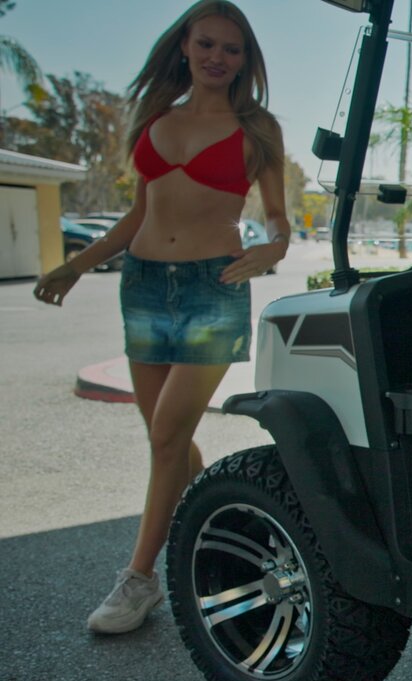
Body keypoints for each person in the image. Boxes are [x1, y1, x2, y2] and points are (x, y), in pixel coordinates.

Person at [32, 0, 289, 634]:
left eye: (231, 49)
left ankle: (140, 578)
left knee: (167, 436)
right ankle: (228, 530)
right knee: (165, 439)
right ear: (184, 47)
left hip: (213, 288)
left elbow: (277, 216)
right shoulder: (156, 119)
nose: (217, 57)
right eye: (206, 44)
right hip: (144, 286)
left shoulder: (256, 127)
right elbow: (136, 217)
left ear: (245, 60)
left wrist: (274, 247)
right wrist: (76, 264)